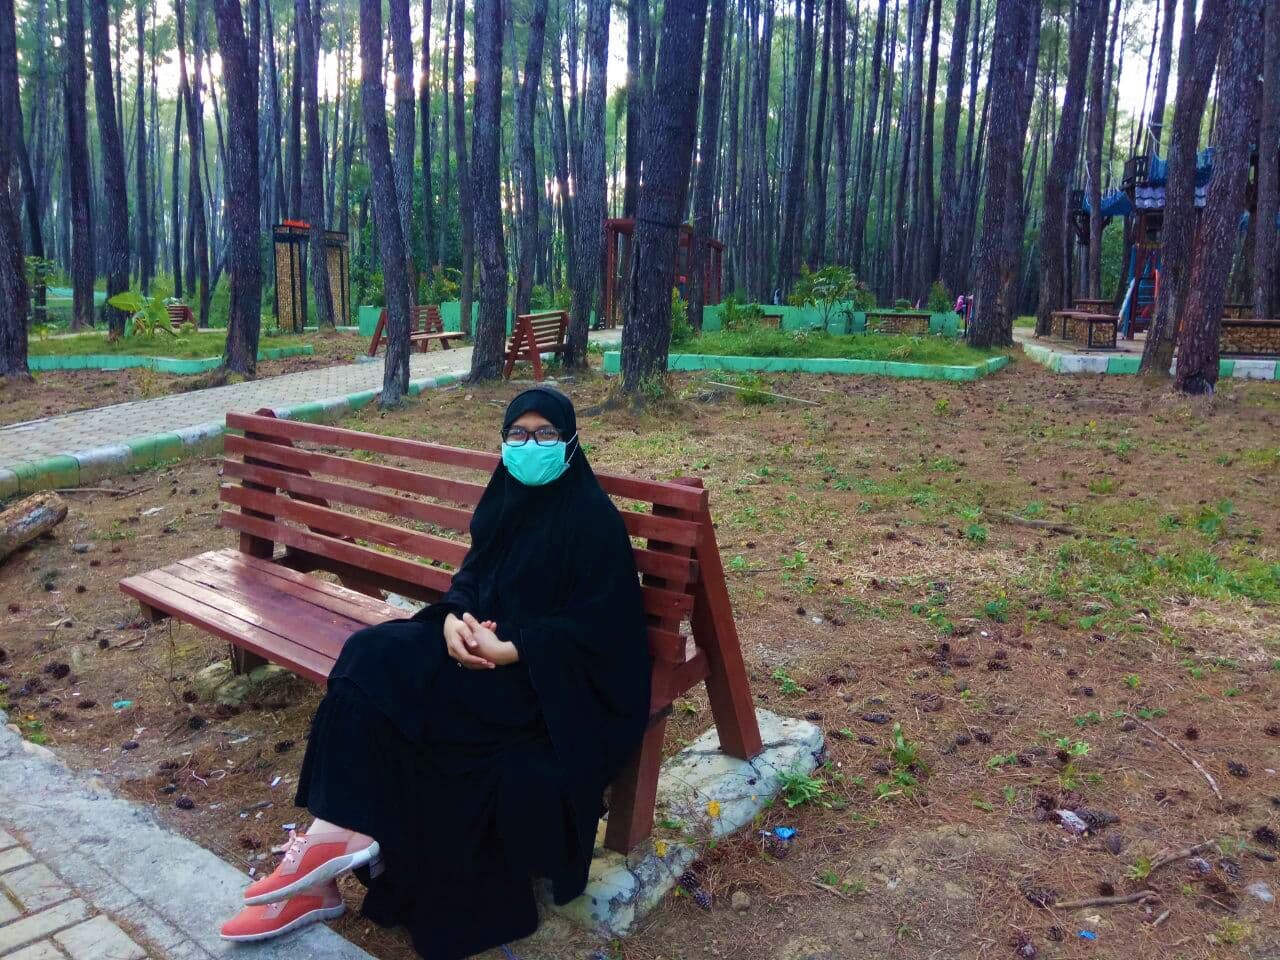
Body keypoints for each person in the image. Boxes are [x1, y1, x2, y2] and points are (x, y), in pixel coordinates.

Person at [218, 387, 652, 959]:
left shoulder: (592, 521)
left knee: (408, 709)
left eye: (546, 434)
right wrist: (452, 618)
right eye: (518, 434)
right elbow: (472, 576)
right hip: (476, 647)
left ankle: (322, 863)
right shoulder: (504, 500)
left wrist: (515, 648)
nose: (530, 446)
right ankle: (330, 842)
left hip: (542, 683)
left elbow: (604, 631)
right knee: (369, 654)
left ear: (570, 443)